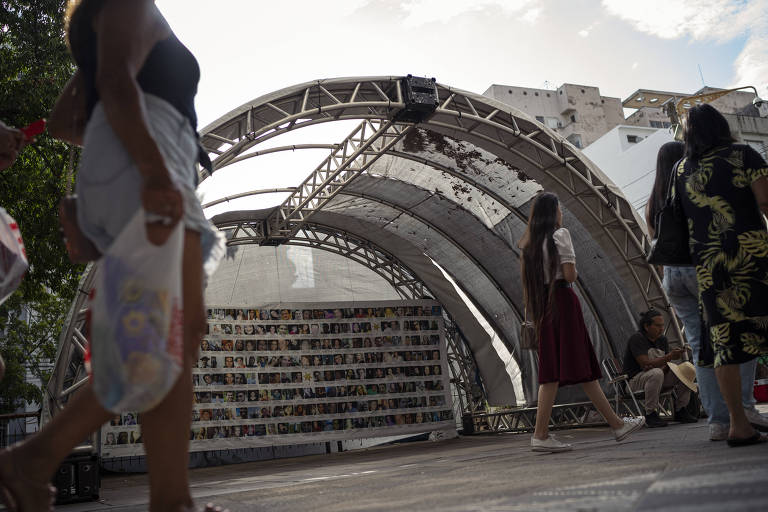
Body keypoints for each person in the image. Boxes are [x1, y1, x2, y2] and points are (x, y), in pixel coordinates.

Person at [0, 2, 227, 511]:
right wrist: (149, 170)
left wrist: (116, 156)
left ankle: (172, 498)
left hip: (140, 160)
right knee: (158, 339)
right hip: (152, 160)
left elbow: (63, 120)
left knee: (176, 332)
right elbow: (116, 81)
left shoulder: (101, 24)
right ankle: (34, 459)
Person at [647, 140, 768, 440]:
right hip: (699, 269)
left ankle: (717, 421)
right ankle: (743, 409)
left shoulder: (654, 200)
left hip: (672, 278)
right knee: (732, 336)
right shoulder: (689, 182)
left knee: (700, 348)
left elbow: (656, 240)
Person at [520, 192, 644, 452]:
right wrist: (572, 266)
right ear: (553, 212)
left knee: (551, 372)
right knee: (583, 364)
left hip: (544, 307)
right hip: (563, 300)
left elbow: (530, 291)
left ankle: (543, 435)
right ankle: (616, 425)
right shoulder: (560, 235)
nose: (561, 214)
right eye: (559, 209)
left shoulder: (529, 246)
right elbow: (570, 275)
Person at [675, 104, 768, 446]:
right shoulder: (743, 155)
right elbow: (766, 202)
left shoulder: (681, 169)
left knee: (725, 343)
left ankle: (737, 425)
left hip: (710, 267)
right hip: (753, 258)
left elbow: (678, 219)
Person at [623, 309, 697, 427]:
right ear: (647, 326)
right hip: (634, 381)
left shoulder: (662, 340)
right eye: (658, 326)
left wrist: (672, 362)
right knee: (656, 373)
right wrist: (669, 357)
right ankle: (650, 413)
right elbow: (645, 365)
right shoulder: (637, 339)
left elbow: (664, 365)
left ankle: (680, 409)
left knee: (686, 370)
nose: (661, 329)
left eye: (662, 325)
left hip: (657, 376)